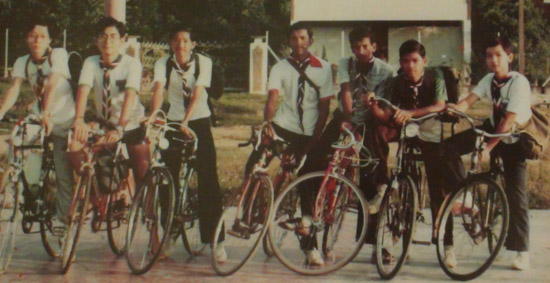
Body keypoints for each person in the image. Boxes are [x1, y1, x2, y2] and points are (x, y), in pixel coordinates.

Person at [246, 22, 334, 266]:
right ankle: (246, 212)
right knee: (255, 159)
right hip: (284, 125)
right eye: (294, 39)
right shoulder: (280, 66)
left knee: (306, 181)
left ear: (311, 40)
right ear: (288, 41)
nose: (299, 43)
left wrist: (314, 142)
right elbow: (273, 97)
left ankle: (310, 248)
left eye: (303, 38)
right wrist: (268, 123)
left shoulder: (323, 68)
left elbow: (325, 110)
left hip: (310, 132)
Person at [368, 39, 460, 267]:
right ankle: (382, 185)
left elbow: (439, 105)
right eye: (406, 61)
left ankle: (447, 245)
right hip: (405, 130)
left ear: (424, 61)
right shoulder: (395, 82)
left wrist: (410, 112)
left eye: (415, 60)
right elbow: (387, 111)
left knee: (438, 190)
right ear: (400, 62)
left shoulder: (436, 76)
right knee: (378, 134)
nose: (411, 65)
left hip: (429, 131)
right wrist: (374, 106)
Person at [445, 36, 532, 270]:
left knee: (516, 193)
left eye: (498, 55)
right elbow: (469, 101)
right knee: (449, 148)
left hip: (514, 138)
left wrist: (487, 148)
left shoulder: (519, 83)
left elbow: (509, 121)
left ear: (510, 57)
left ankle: (521, 250)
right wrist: (455, 109)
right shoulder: (488, 79)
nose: (493, 60)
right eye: (489, 56)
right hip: (492, 129)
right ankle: (466, 195)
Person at [148, 25, 226, 261]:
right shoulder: (163, 63)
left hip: (199, 121)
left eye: (185, 41)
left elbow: (198, 93)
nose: (180, 45)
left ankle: (215, 241)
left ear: (192, 44)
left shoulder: (204, 62)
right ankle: (169, 231)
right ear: (171, 44)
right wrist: (155, 115)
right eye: (175, 41)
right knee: (166, 177)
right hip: (173, 123)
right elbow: (159, 89)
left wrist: (187, 122)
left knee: (208, 178)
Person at [0, 19, 75, 226]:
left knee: (62, 171)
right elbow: (14, 88)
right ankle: (26, 192)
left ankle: (63, 221)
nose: (37, 40)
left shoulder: (58, 55)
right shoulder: (22, 61)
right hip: (39, 115)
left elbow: (51, 82)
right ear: (26, 38)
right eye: (33, 35)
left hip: (62, 117)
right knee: (17, 144)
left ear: (50, 39)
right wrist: (1, 111)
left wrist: (48, 113)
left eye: (42, 36)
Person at [69, 17, 150, 201]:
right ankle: (94, 195)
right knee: (74, 146)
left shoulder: (132, 64)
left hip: (130, 124)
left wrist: (120, 127)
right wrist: (79, 119)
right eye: (103, 36)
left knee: (143, 176)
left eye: (113, 37)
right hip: (104, 124)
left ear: (122, 40)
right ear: (96, 40)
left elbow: (130, 95)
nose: (108, 41)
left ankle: (151, 220)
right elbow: (83, 89)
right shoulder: (90, 62)